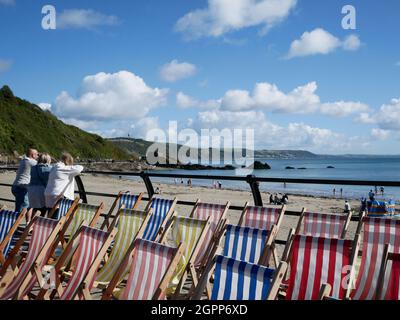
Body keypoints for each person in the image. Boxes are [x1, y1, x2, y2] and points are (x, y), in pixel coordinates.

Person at [11, 148, 38, 212]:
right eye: (37, 154)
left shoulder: (23, 160)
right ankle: (15, 221)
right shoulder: (31, 161)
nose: (38, 156)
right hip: (22, 187)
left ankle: (28, 222)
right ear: (33, 155)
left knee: (24, 206)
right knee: (22, 208)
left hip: (15, 186)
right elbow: (42, 166)